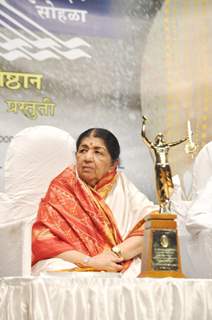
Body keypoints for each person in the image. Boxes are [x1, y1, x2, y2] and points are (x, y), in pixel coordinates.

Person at [32, 128, 158, 276]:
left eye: (97, 152)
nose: (87, 158)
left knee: (140, 271)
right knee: (51, 270)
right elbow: (43, 239)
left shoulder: (124, 189)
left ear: (114, 164)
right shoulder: (62, 187)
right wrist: (91, 262)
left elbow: (153, 225)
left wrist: (114, 255)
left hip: (117, 261)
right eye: (83, 151)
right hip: (76, 261)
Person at [141, 116, 188, 213]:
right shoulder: (154, 146)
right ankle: (163, 205)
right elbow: (143, 136)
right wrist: (144, 123)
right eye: (159, 137)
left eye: (161, 137)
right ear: (156, 139)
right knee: (161, 185)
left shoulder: (166, 146)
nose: (160, 138)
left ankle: (169, 203)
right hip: (159, 166)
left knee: (169, 184)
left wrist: (187, 138)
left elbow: (177, 142)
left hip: (166, 165)